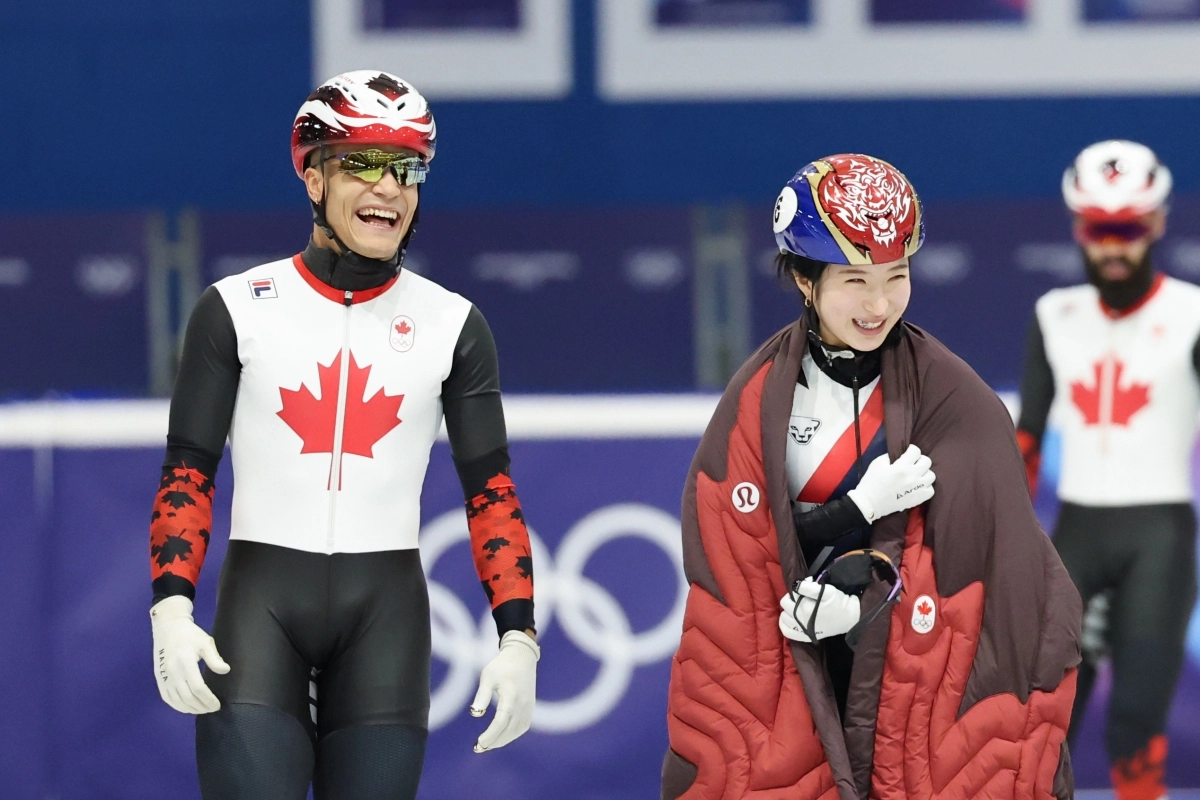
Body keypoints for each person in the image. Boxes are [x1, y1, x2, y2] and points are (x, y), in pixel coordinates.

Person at [146, 70, 540, 800]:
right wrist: (171, 606)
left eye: (406, 168)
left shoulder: (454, 324)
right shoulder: (234, 309)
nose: (387, 187)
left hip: (384, 620)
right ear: (313, 180)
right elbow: (188, 471)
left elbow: (492, 493)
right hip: (260, 609)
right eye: (361, 163)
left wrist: (519, 637)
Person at [661, 154, 1081, 800]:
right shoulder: (759, 398)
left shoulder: (955, 399)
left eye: (896, 275)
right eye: (855, 279)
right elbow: (739, 547)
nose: (879, 302)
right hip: (790, 678)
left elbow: (994, 573)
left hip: (909, 693)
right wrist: (856, 509)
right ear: (804, 280)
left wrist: (861, 613)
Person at [1017, 139, 1200, 800]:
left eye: (1126, 229)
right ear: (1078, 230)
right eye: (1100, 230)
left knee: (1135, 725)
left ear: (1155, 224)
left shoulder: (1193, 314)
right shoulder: (1054, 315)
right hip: (1076, 535)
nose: (1113, 246)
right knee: (1042, 720)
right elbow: (1026, 443)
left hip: (1160, 537)